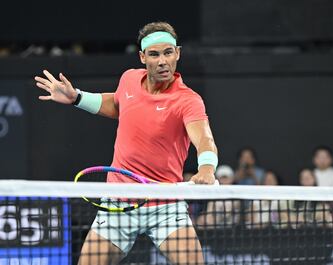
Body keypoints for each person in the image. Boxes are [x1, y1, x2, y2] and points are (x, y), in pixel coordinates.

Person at [34, 22, 218, 265]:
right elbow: (119, 104)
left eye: (168, 52)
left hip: (165, 205)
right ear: (143, 57)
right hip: (118, 200)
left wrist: (206, 168)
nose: (162, 61)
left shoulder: (188, 100)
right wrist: (77, 97)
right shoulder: (129, 79)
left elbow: (204, 139)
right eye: (154, 54)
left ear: (178, 53)